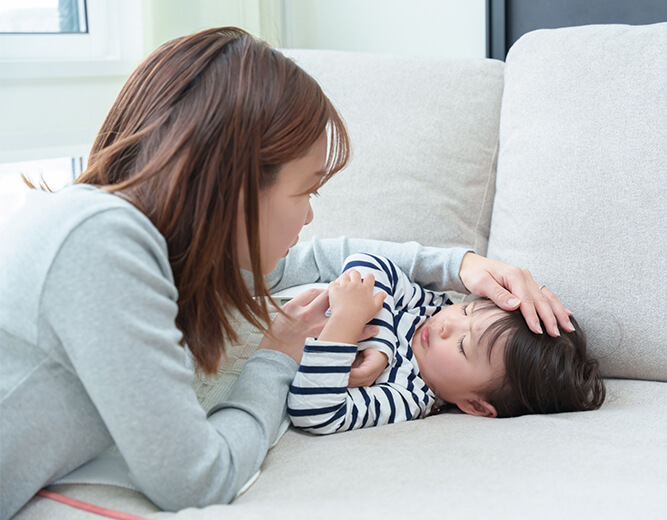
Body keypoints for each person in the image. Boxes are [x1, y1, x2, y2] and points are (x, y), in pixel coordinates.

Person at [0, 27, 573, 519]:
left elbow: (314, 262)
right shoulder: (103, 251)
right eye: (306, 191)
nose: (310, 215)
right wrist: (276, 358)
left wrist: (463, 266)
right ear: (239, 190)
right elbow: (197, 477)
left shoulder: (155, 254)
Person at [287, 254, 605, 434]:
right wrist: (379, 340)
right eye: (466, 310)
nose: (446, 325)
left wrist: (345, 324)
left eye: (463, 346)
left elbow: (314, 412)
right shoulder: (425, 307)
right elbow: (366, 261)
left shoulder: (406, 396)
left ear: (475, 405)